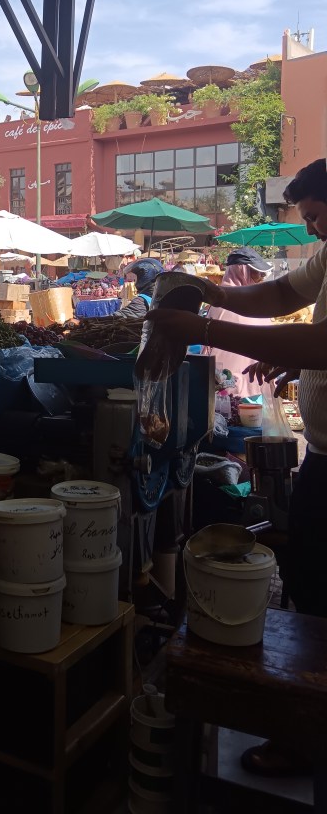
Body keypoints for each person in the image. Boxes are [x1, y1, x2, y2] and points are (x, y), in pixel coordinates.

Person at [145, 158, 327, 777]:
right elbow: (281, 295)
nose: (316, 233)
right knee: (310, 582)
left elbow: (324, 340)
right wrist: (216, 294)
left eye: (318, 220)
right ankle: (306, 727)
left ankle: (307, 738)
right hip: (323, 459)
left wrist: (195, 325)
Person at [202, 247, 273, 397]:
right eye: (256, 273)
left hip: (256, 383)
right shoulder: (223, 301)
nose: (261, 277)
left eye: (261, 273)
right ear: (242, 271)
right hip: (228, 385)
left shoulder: (258, 300)